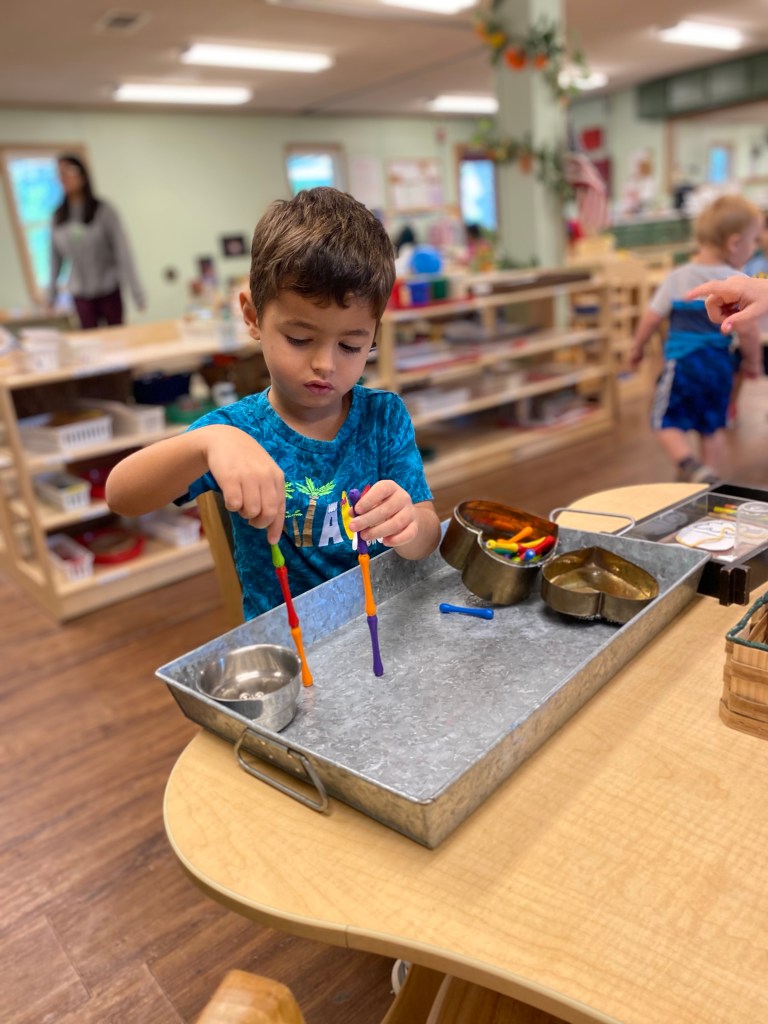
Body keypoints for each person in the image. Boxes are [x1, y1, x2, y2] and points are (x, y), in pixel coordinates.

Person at [105, 187, 442, 621]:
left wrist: (408, 525)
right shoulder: (238, 432)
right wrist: (208, 443)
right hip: (287, 637)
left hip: (381, 623)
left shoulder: (384, 416)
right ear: (252, 317)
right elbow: (121, 495)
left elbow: (428, 534)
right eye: (299, 339)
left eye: (351, 345)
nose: (325, 364)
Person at [628, 194, 763, 484]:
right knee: (711, 426)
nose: (755, 247)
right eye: (754, 240)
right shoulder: (736, 282)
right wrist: (753, 362)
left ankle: (689, 465)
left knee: (662, 420)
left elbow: (651, 318)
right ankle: (708, 482)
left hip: (683, 366)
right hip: (719, 367)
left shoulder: (678, 277)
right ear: (734, 243)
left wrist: (637, 348)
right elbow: (748, 330)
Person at [49, 154, 145, 329]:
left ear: (82, 175)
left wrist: (137, 292)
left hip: (109, 290)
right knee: (90, 341)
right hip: (80, 294)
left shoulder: (104, 211)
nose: (64, 178)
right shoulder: (58, 217)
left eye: (68, 171)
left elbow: (123, 252)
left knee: (117, 338)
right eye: (60, 173)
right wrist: (51, 295)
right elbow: (55, 259)